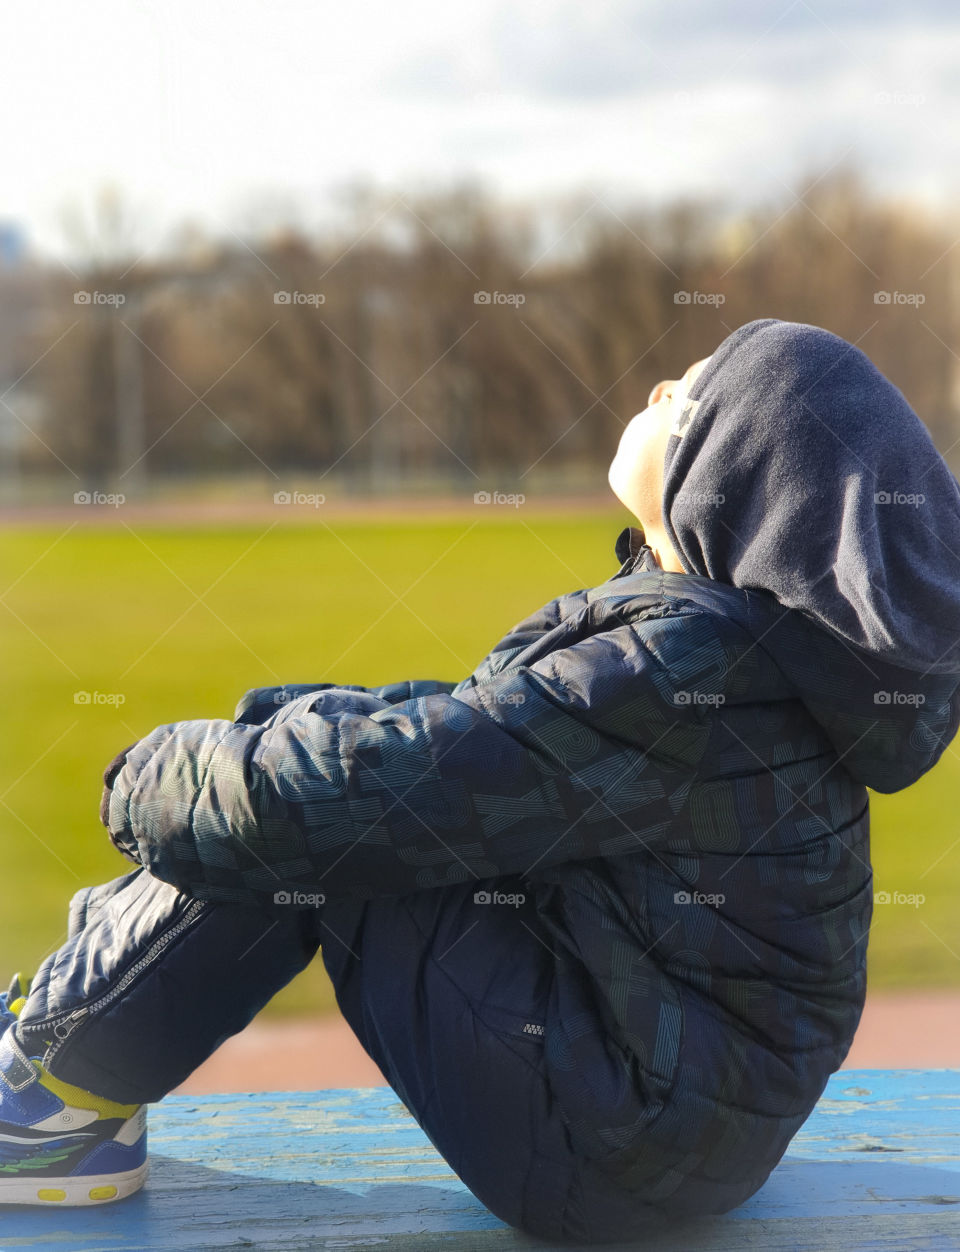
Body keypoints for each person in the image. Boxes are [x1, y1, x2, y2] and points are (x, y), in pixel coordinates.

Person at [2, 318, 959, 1243]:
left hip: (613, 1149)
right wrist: (283, 719)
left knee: (320, 825)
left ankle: (45, 1098)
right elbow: (486, 732)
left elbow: (366, 792)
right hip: (680, 1130)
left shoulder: (684, 672)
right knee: (317, 768)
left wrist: (142, 777)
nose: (663, 386)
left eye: (692, 389)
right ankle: (66, 1033)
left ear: (729, 477)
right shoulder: (729, 654)